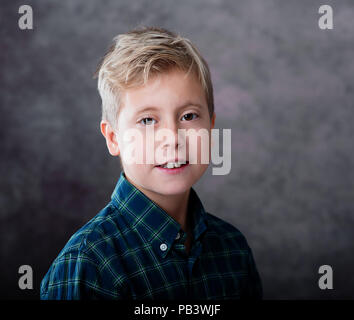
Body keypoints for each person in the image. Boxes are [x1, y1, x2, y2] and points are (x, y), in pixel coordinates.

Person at [40, 26, 262, 300]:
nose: (172, 138)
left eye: (189, 116)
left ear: (211, 127)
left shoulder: (233, 249)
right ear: (113, 138)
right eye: (147, 120)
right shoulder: (88, 266)